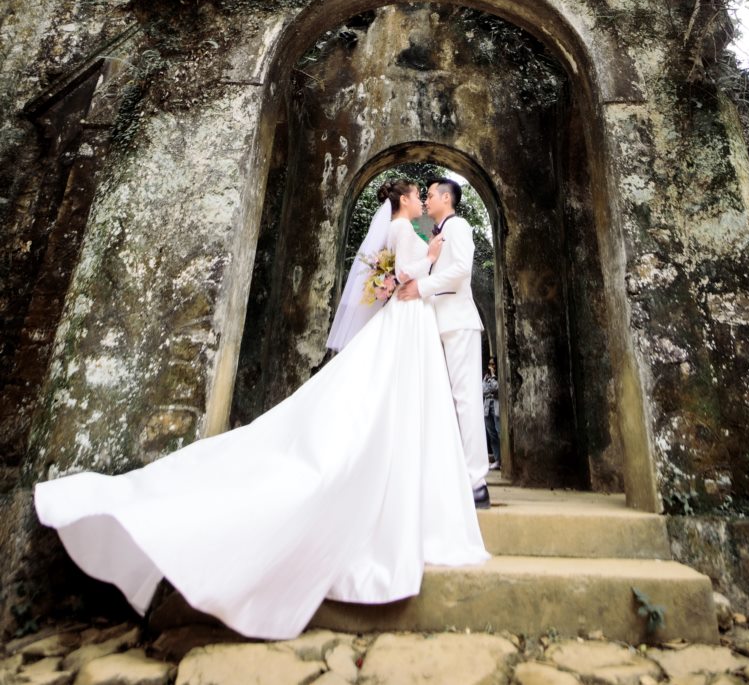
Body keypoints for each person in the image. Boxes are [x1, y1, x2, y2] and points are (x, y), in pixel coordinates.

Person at [33, 180, 489, 641]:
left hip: (414, 318)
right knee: (395, 400)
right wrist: (427, 262)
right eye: (419, 194)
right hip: (409, 316)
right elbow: (408, 273)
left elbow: (408, 276)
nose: (424, 198)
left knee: (400, 399)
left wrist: (417, 272)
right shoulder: (405, 230)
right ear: (404, 200)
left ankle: (424, 471)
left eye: (430, 194)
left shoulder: (419, 229)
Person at [396, 178, 491, 509]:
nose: (426, 199)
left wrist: (421, 288)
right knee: (445, 401)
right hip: (437, 323)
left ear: (447, 198)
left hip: (459, 321)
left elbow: (462, 269)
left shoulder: (459, 226)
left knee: (466, 399)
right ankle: (452, 475)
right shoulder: (434, 233)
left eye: (431, 195)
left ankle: (476, 482)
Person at [483, 357, 501, 471]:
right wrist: (492, 390)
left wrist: (494, 377)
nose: (491, 366)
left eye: (493, 364)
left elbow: (497, 388)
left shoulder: (497, 377)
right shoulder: (485, 377)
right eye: (490, 364)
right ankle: (497, 460)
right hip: (487, 408)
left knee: (499, 432)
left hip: (496, 406)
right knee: (492, 435)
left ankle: (503, 459)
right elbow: (483, 390)